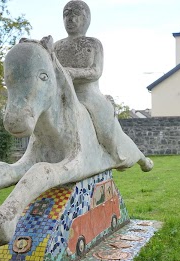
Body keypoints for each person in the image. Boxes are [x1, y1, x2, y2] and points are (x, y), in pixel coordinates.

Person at [53, 0, 124, 162]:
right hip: (61, 95)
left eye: (75, 15)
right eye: (66, 15)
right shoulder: (57, 46)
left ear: (86, 19)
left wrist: (72, 72)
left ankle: (112, 150)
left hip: (87, 95)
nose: (70, 19)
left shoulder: (93, 44)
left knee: (102, 122)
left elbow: (96, 71)